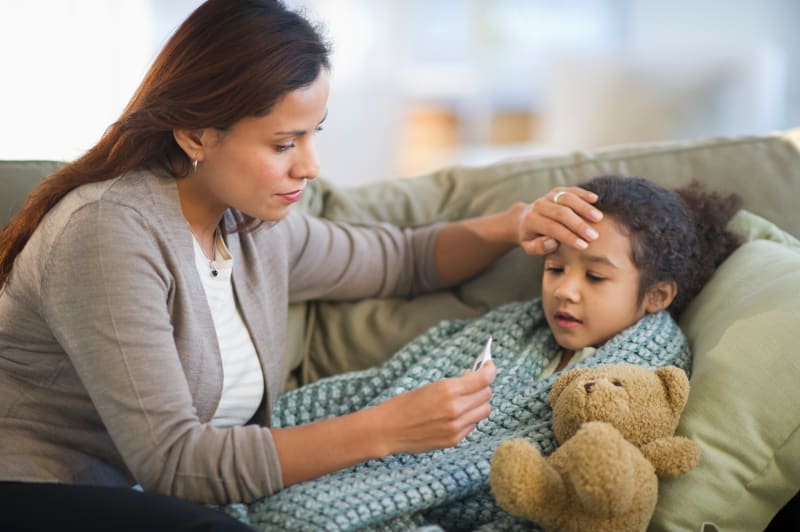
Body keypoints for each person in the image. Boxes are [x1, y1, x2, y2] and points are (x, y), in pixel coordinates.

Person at [0, 1, 603, 530]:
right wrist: (385, 429)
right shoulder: (109, 232)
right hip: (38, 491)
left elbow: (401, 260)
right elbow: (175, 465)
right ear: (195, 134)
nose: (309, 166)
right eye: (284, 144)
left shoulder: (250, 225)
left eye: (314, 134)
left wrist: (511, 225)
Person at [229, 174, 742, 531]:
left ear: (657, 296)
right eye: (555, 268)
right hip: (366, 464)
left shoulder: (642, 378)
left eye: (596, 276)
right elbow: (385, 385)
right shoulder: (509, 328)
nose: (566, 291)